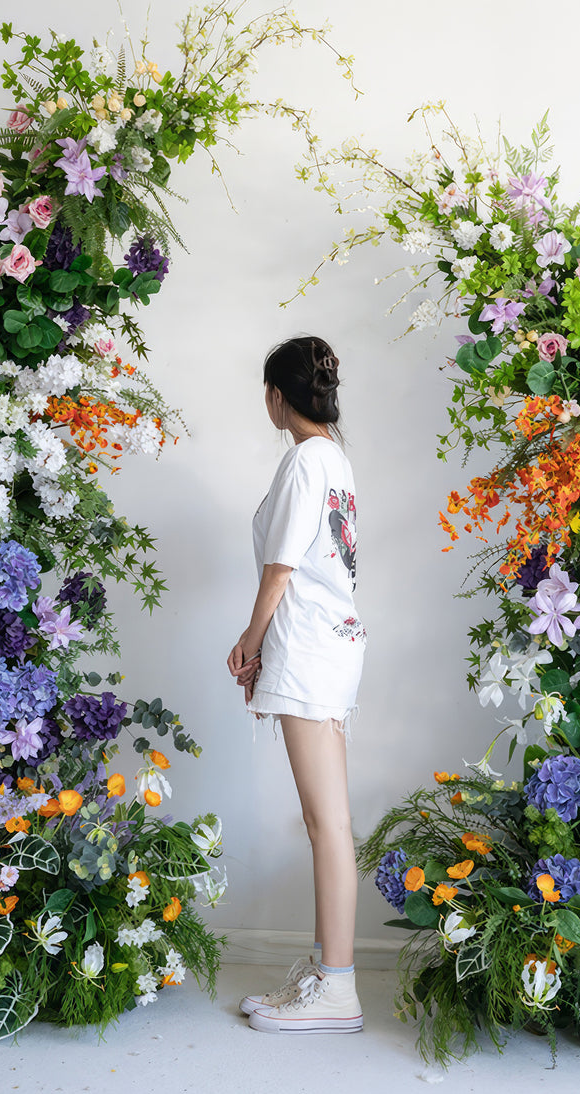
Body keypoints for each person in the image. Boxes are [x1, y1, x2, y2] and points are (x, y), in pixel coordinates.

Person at [227, 335, 366, 1034]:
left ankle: (337, 987)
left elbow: (281, 567)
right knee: (326, 820)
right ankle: (326, 971)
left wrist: (251, 640)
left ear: (276, 397)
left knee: (326, 821)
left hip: (309, 648)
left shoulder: (305, 461)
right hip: (330, 645)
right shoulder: (334, 457)